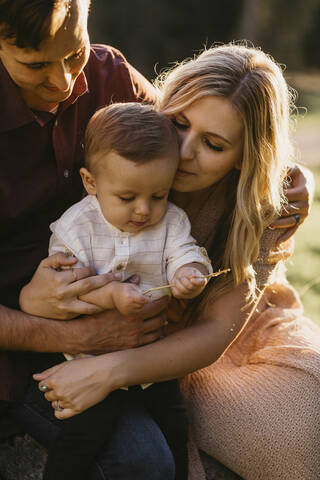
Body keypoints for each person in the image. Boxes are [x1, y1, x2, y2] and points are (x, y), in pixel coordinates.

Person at [34, 44, 320, 480]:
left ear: (246, 155)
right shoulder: (125, 155)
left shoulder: (263, 205)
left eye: (213, 144)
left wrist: (108, 372)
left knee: (302, 429)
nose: (184, 151)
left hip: (232, 334)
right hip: (139, 327)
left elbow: (216, 333)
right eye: (179, 124)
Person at [0, 0, 176, 478]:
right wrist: (73, 335)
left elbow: (193, 136)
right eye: (35, 64)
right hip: (15, 339)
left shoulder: (109, 76)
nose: (64, 82)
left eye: (74, 53)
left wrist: (277, 174)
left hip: (112, 326)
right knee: (138, 462)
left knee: (156, 454)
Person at [38, 101, 213, 480]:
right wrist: (110, 297)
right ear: (91, 182)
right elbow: (66, 290)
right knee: (86, 433)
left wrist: (188, 273)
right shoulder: (76, 227)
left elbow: (184, 252)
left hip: (150, 359)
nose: (144, 210)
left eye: (158, 195)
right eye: (127, 197)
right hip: (88, 357)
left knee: (175, 422)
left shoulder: (170, 221)